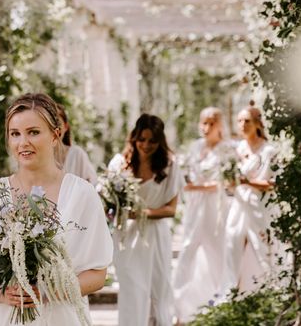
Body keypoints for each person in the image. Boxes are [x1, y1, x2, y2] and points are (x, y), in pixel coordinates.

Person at [0, 92, 113, 325]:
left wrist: (47, 293)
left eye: (33, 132)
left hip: (63, 317)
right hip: (7, 318)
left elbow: (97, 275)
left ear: (55, 135)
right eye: (15, 134)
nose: (23, 143)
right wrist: (3, 294)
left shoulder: (82, 194)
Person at [109, 113, 181, 326]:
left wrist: (141, 213)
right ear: (134, 138)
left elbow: (171, 209)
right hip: (126, 237)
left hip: (156, 236)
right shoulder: (120, 164)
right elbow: (109, 205)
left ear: (160, 141)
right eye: (142, 139)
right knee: (132, 290)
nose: (146, 145)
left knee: (158, 290)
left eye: (152, 140)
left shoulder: (169, 165)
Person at [172, 107, 235, 324]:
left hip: (216, 208)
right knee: (187, 249)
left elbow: (227, 182)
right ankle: (178, 307)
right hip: (194, 207)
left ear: (219, 125)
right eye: (203, 122)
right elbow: (186, 176)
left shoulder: (228, 149)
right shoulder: (195, 147)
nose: (206, 127)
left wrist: (198, 187)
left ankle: (222, 300)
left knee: (216, 252)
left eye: (211, 123)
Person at [219, 102, 277, 296]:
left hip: (259, 204)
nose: (243, 125)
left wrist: (247, 181)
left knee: (263, 249)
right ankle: (231, 293)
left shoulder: (268, 150)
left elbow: (271, 184)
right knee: (232, 243)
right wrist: (230, 180)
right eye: (239, 121)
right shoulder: (238, 148)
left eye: (247, 121)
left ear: (258, 124)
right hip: (238, 203)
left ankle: (272, 292)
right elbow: (231, 182)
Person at [56, 103, 98, 185]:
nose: (55, 129)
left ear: (66, 127)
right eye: (50, 124)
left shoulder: (77, 154)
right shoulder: (38, 157)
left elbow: (92, 184)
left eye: (58, 123)